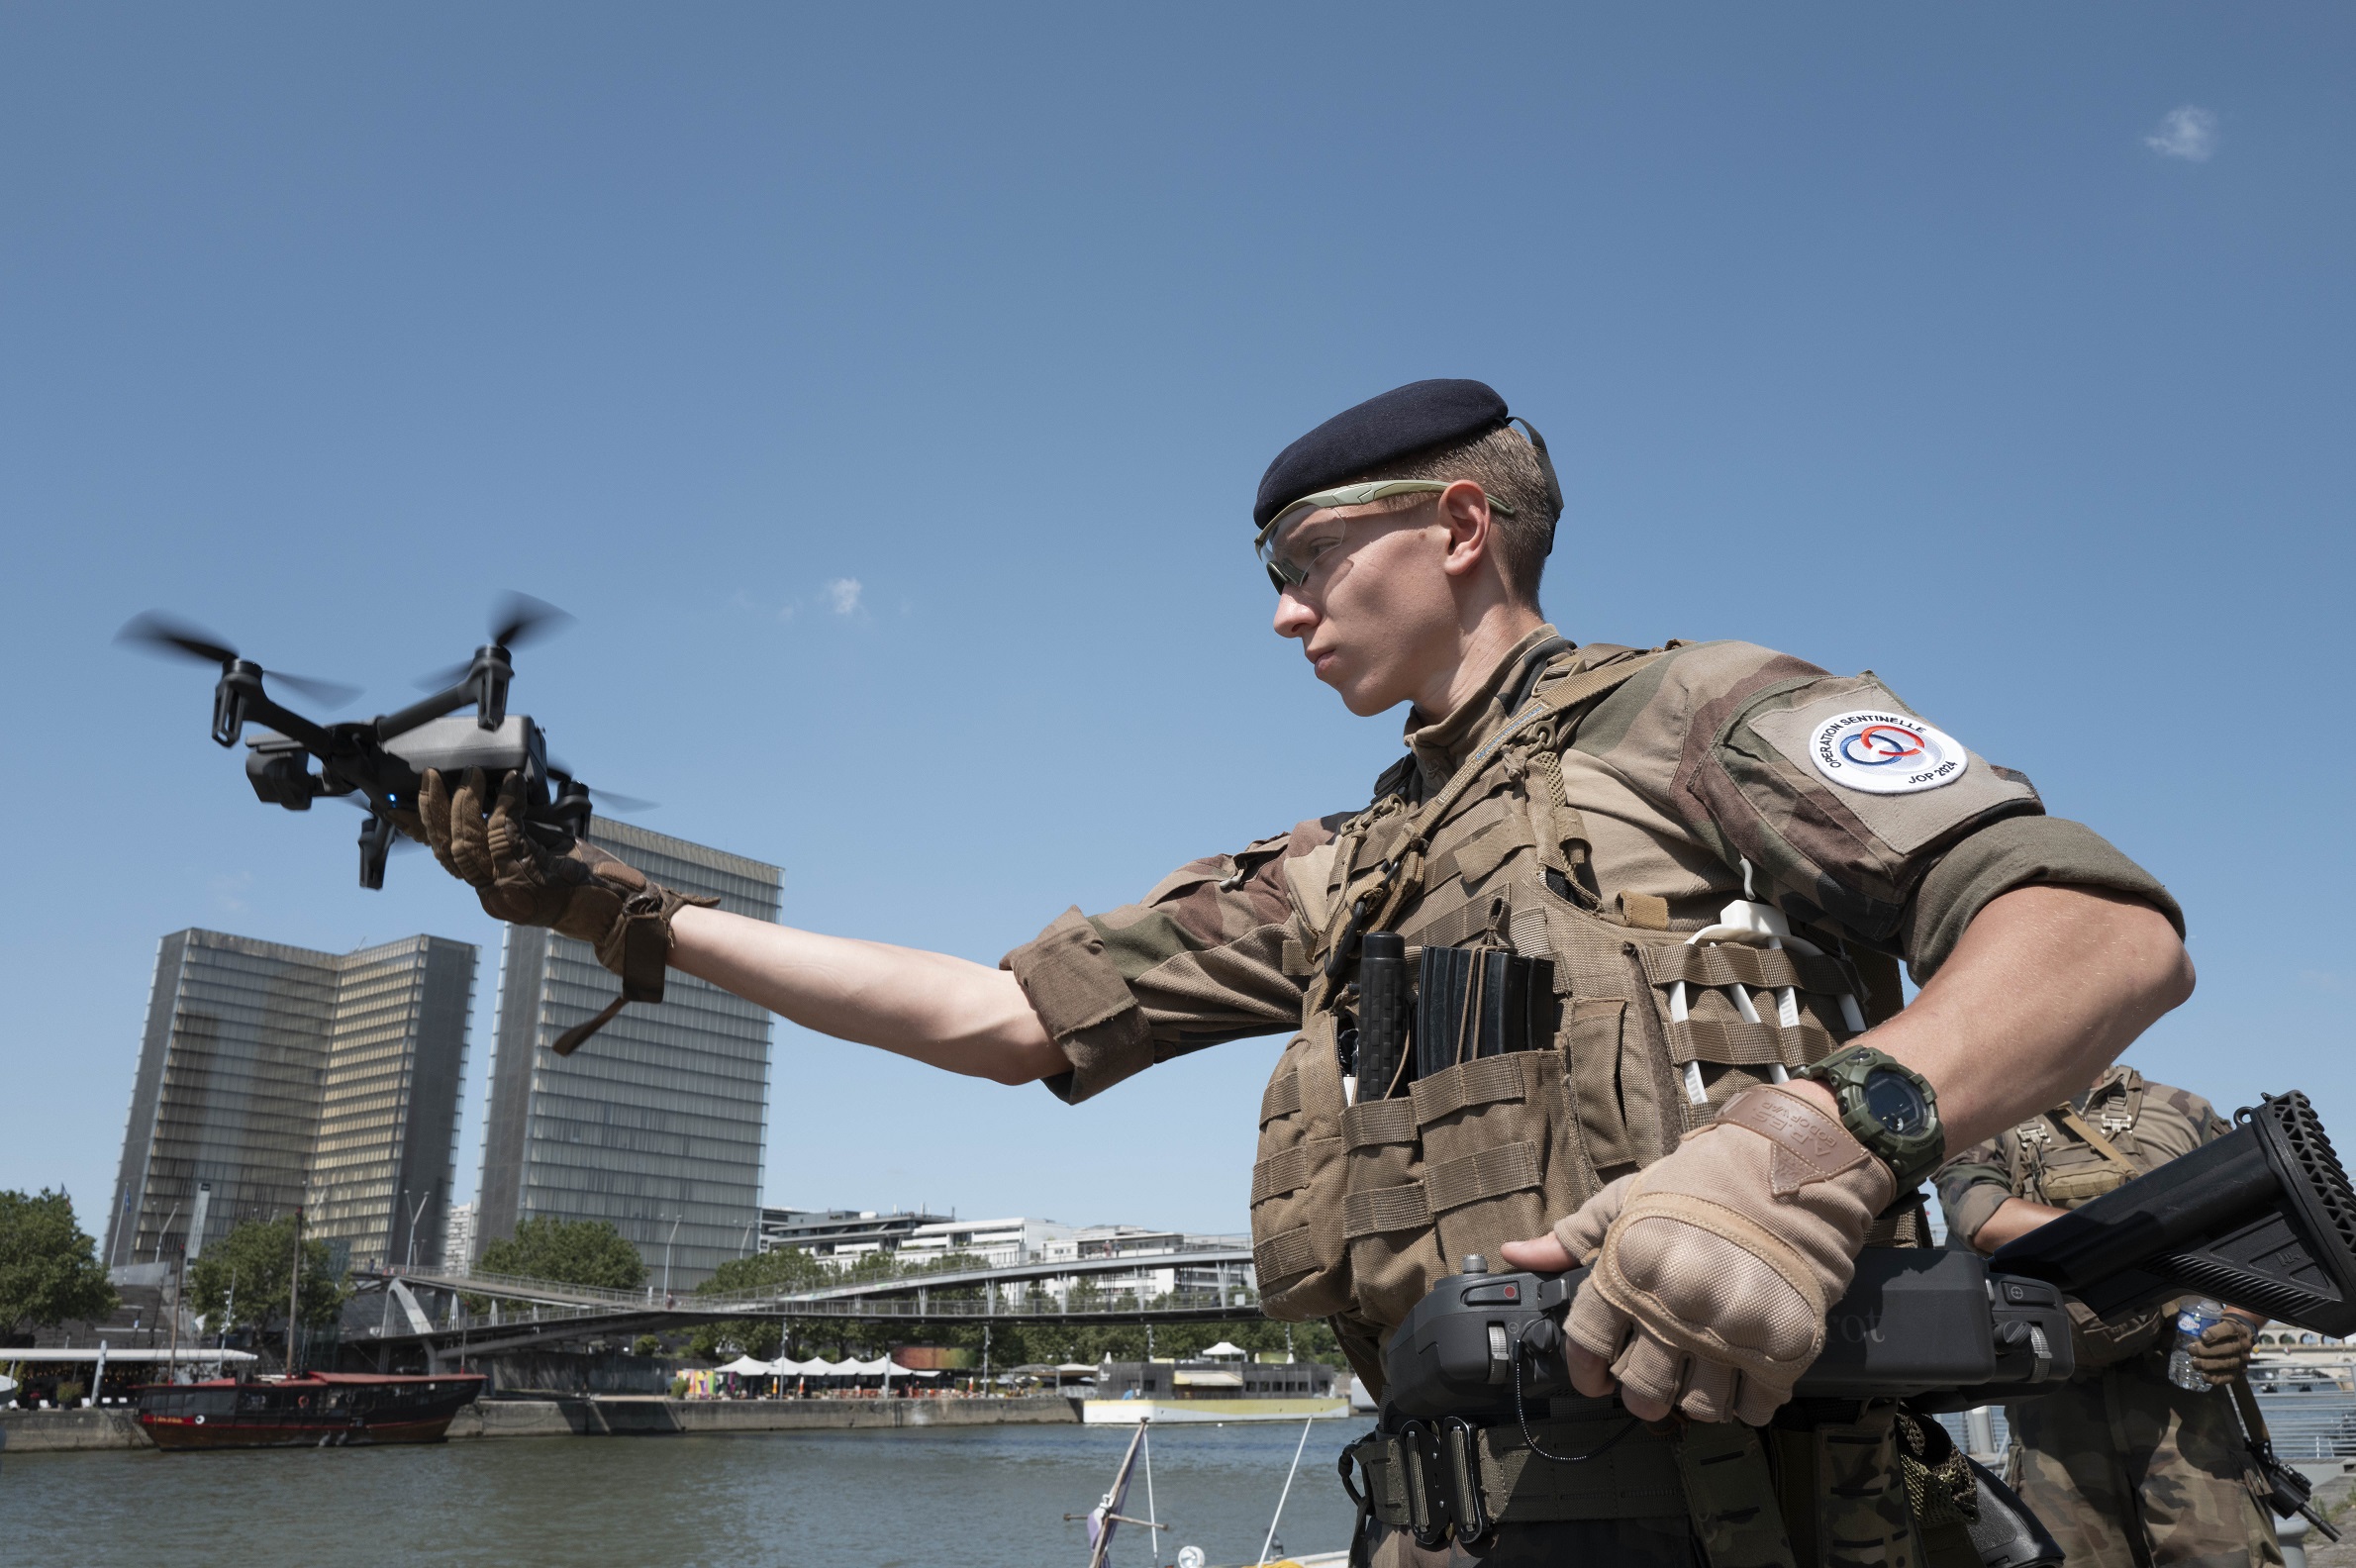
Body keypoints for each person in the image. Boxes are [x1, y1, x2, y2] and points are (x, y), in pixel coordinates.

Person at [411, 379, 2195, 1566]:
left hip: (1756, 1517)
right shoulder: (1354, 859)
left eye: (1307, 559)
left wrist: (1805, 1154)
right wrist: (612, 910)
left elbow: (2100, 928)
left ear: (1457, 525)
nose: (1282, 610)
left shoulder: (1700, 715)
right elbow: (1002, 1012)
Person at [1935, 1066, 2282, 1568]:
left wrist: (2243, 1320)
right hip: (2051, 1397)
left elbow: (2258, 1235)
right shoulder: (1985, 1118)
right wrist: (2146, 1239)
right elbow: (1983, 1218)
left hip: (2182, 1387)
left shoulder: (2185, 1111)